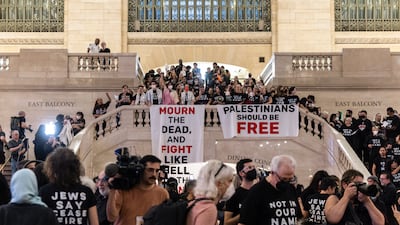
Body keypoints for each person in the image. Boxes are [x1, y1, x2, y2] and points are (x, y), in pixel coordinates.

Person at [39, 148, 99, 225]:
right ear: (76, 167)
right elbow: (94, 223)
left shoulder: (45, 191)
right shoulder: (86, 192)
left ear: (52, 168)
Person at [239, 155, 302, 225]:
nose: (287, 182)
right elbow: (244, 222)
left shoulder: (291, 189)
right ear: (272, 172)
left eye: (290, 179)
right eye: (284, 179)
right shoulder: (256, 191)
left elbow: (297, 217)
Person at [106, 155, 169, 225]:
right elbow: (111, 218)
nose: (154, 174)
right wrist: (112, 190)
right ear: (141, 170)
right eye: (150, 170)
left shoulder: (162, 193)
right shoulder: (124, 191)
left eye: (157, 171)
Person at [186, 160, 235, 225]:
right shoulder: (208, 208)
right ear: (219, 184)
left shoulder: (195, 203)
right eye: (230, 181)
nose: (231, 185)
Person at [224, 158, 257, 225]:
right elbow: (226, 222)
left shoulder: (259, 192)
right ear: (241, 173)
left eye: (254, 167)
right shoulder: (234, 195)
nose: (253, 170)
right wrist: (244, 214)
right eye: (250, 167)